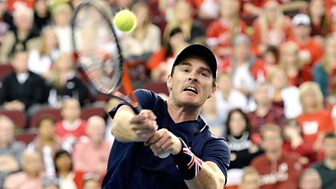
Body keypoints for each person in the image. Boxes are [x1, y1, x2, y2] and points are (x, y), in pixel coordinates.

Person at [102, 44, 230, 189]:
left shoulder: (214, 145)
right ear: (169, 80)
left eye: (203, 74)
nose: (193, 77)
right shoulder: (145, 100)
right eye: (186, 69)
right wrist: (139, 129)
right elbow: (119, 125)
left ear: (212, 90)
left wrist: (181, 151)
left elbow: (214, 185)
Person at [251, 124, 303, 189]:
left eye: (275, 138)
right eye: (268, 139)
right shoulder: (256, 164)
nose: (272, 142)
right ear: (262, 142)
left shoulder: (293, 160)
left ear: (282, 140)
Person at [0, 115, 26, 188]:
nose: (7, 133)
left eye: (10, 129)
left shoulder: (20, 147)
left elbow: (20, 167)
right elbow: (13, 166)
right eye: (4, 130)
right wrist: (9, 164)